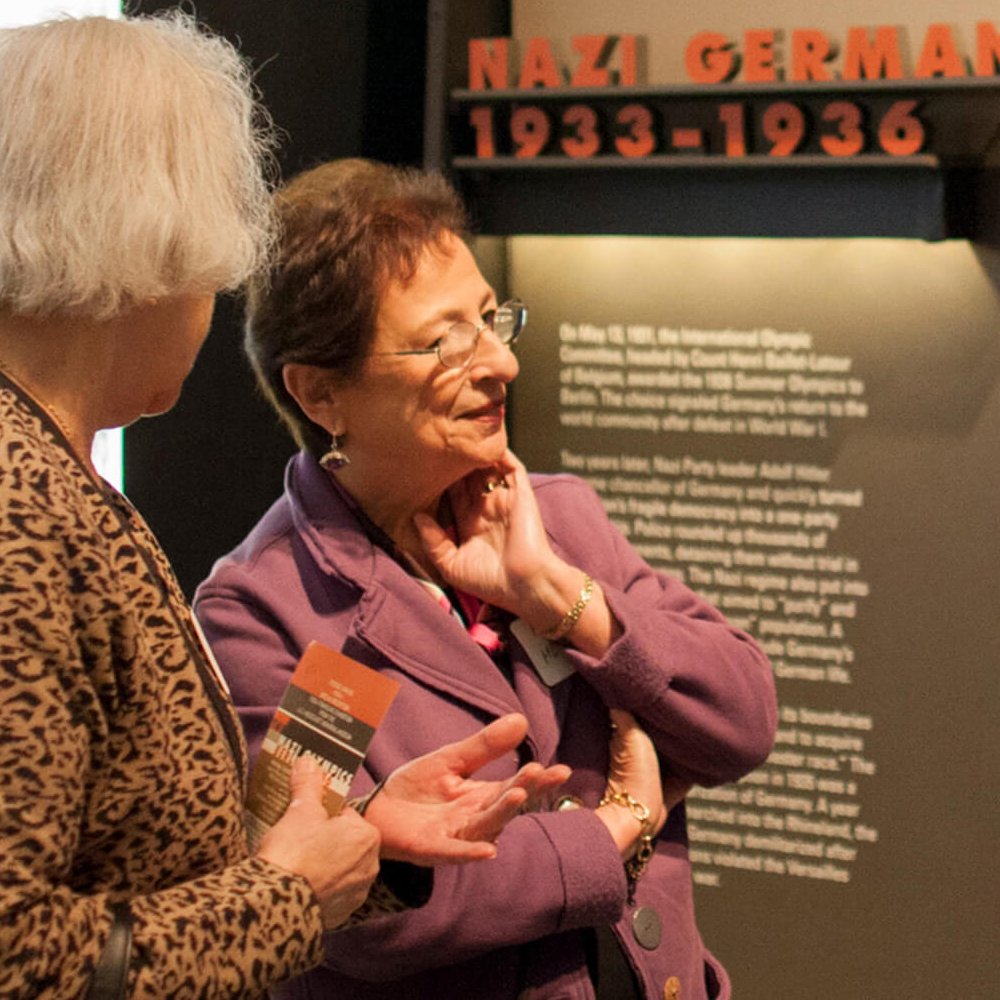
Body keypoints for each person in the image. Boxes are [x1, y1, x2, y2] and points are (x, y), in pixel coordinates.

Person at [0, 16, 569, 1000]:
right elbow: (22, 957)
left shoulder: (59, 476)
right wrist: (285, 894)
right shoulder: (23, 514)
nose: (494, 365)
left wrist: (360, 843)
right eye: (438, 341)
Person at [193, 157, 779, 1000]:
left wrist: (567, 604)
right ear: (322, 393)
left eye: (492, 320)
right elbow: (353, 905)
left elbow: (744, 719)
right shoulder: (275, 610)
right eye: (443, 342)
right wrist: (620, 828)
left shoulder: (557, 519)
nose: (500, 363)